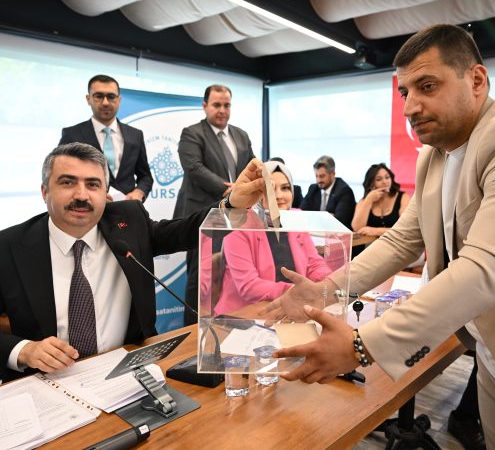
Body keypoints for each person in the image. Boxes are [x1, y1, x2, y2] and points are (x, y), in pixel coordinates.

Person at [267, 24, 495, 450]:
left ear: (476, 80)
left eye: (427, 86)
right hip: (493, 357)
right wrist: (325, 289)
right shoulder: (434, 154)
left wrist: (361, 345)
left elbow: (485, 267)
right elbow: (402, 239)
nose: (411, 107)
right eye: (405, 92)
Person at [0, 142, 264, 383]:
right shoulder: (8, 246)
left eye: (93, 185)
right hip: (47, 382)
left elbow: (183, 231)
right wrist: (24, 350)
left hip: (126, 375)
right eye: (68, 183)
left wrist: (232, 204)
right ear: (45, 191)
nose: (81, 195)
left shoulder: (129, 222)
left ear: (106, 194)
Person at [173, 84, 255, 325]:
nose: (222, 110)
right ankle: (192, 330)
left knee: (226, 275)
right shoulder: (192, 133)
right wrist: (229, 190)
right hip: (202, 218)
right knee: (199, 278)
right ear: (204, 105)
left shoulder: (241, 135)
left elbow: (251, 166)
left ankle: (224, 326)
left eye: (226, 105)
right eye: (216, 105)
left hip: (235, 217)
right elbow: (194, 168)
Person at [214, 160, 332, 316]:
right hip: (243, 315)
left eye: (285, 188)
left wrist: (330, 284)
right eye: (270, 189)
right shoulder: (238, 225)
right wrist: (298, 291)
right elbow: (249, 286)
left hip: (291, 308)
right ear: (256, 193)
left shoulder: (296, 218)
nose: (279, 196)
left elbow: (314, 264)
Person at [59, 74, 153, 201]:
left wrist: (139, 192)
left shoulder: (135, 135)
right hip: (87, 206)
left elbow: (146, 177)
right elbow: (62, 177)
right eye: (99, 96)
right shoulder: (72, 135)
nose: (105, 102)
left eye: (111, 96)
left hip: (128, 208)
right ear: (88, 99)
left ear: (119, 100)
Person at [351, 163, 410, 237]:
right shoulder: (365, 200)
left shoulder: (403, 197)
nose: (385, 182)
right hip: (372, 243)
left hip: (397, 242)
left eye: (387, 177)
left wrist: (375, 231)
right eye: (379, 179)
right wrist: (369, 200)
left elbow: (406, 229)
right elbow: (357, 228)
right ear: (371, 184)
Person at [300, 155, 355, 229]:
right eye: (316, 176)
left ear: (333, 174)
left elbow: (339, 222)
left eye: (322, 176)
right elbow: (301, 214)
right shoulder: (313, 189)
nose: (318, 180)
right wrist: (328, 217)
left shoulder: (344, 191)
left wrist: (313, 217)